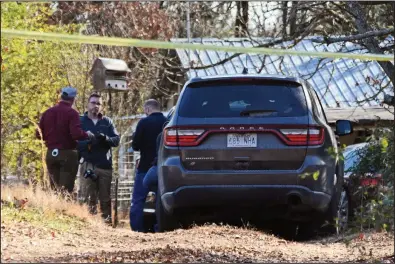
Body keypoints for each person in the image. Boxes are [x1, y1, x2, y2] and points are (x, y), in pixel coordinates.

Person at [36, 86, 95, 195]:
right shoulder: (72, 113)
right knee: (65, 189)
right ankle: (63, 209)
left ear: (61, 96)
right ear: (73, 99)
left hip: (51, 153)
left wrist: (51, 138)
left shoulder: (47, 112)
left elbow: (38, 134)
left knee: (53, 188)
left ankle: (52, 209)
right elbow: (76, 134)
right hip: (67, 153)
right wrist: (87, 135)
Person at [77, 93, 120, 224]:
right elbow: (74, 142)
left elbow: (116, 140)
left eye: (98, 103)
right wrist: (88, 142)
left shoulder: (107, 122)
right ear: (88, 104)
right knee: (88, 197)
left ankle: (106, 224)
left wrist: (105, 138)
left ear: (101, 106)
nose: (95, 106)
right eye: (93, 102)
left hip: (105, 165)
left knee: (105, 198)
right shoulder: (80, 121)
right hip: (88, 164)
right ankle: (90, 225)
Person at [129, 99, 167, 232]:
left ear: (148, 109)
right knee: (161, 200)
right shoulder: (167, 122)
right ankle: (160, 227)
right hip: (163, 167)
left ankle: (137, 228)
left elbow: (135, 145)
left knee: (138, 200)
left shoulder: (143, 123)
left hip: (145, 166)